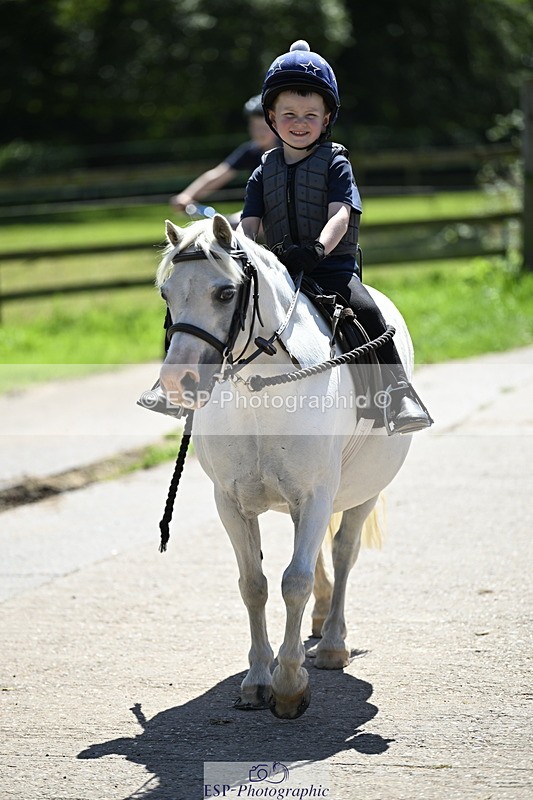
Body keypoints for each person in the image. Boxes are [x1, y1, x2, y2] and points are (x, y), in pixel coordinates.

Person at [237, 40, 432, 434]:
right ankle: (186, 387)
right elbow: (249, 223)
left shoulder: (335, 163)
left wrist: (317, 249)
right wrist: (241, 254)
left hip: (330, 268)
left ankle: (398, 395)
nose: (299, 122)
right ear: (271, 117)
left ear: (326, 118)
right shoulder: (262, 171)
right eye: (289, 114)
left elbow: (341, 213)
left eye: (310, 115)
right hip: (281, 272)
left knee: (369, 313)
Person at [169, 95, 278, 226]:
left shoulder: (287, 151)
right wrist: (187, 195)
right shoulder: (251, 151)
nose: (259, 133)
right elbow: (219, 174)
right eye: (254, 126)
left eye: (264, 127)